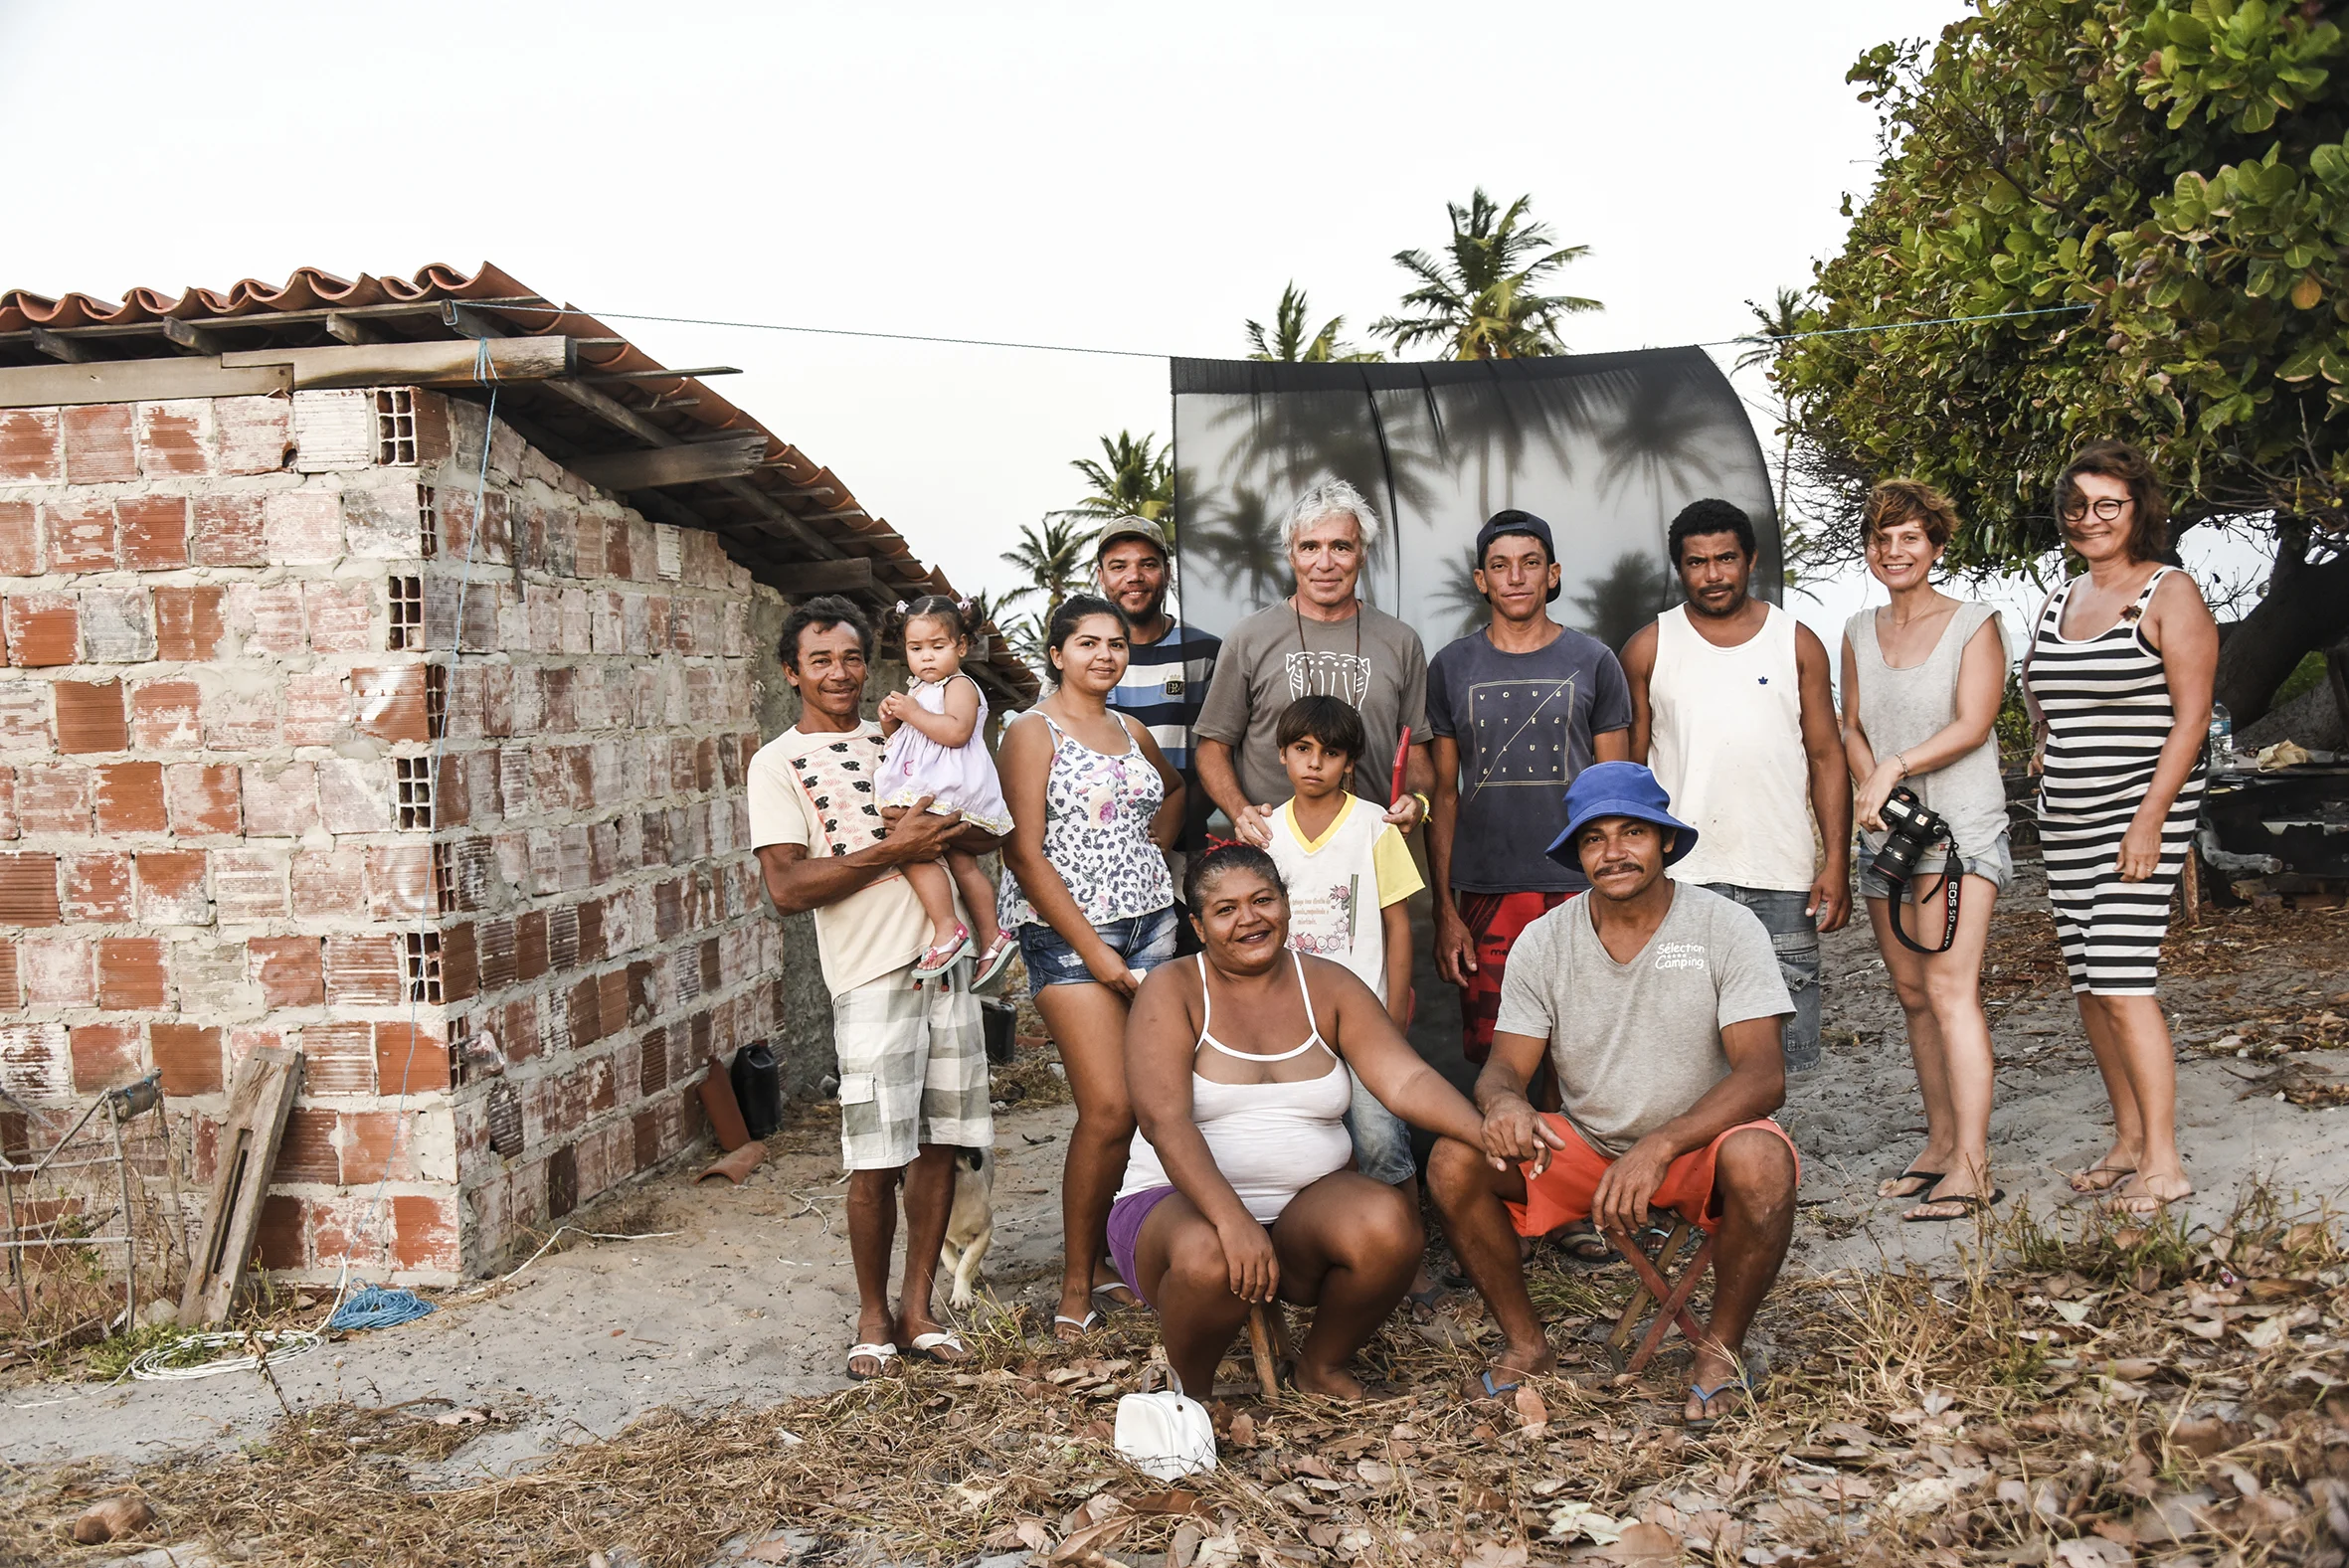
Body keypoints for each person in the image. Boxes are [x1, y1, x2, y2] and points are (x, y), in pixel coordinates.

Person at [1427, 762, 1800, 1427]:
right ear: (1577, 853)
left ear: (1664, 842)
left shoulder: (1726, 926)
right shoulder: (1544, 940)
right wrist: (1506, 1102)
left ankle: (1720, 1349)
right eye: (1594, 838)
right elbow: (1503, 1067)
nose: (1614, 851)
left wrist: (1661, 1144)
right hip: (1588, 1151)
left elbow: (1762, 1075)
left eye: (1633, 831)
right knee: (1452, 1161)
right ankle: (1526, 1343)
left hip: (1697, 1150)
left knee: (1765, 1159)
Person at [1114, 845, 1488, 1401]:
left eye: (1263, 900)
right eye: (1226, 909)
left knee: (1388, 1221)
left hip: (1303, 1217)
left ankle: (1321, 1365)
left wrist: (1486, 1132)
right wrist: (1233, 1222)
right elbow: (1165, 1122)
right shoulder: (1172, 989)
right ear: (1197, 924)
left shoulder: (1330, 985)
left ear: (1287, 905)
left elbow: (1405, 1080)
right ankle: (1190, 1397)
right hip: (1174, 1213)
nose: (1249, 919)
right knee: (1209, 1254)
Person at [747, 596, 995, 1380]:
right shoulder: (775, 761)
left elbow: (979, 822)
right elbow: (787, 886)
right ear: (792, 671)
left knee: (939, 1141)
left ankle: (918, 1307)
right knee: (874, 1155)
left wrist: (947, 829)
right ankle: (871, 1313)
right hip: (868, 970)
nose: (840, 673)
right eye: (820, 659)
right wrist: (895, 848)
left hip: (944, 963)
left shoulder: (902, 730)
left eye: (852, 657)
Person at [2025, 439, 2217, 1217]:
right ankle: (2129, 1139)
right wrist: (2045, 751)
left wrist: (2149, 819)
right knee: (2089, 986)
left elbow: (2193, 720)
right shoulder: (2057, 599)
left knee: (2121, 975)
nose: (2091, 518)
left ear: (2138, 510)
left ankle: (2164, 1161)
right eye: (2078, 506)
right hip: (2065, 819)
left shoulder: (2170, 593)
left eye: (2109, 504)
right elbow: (2044, 705)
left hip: (2141, 817)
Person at [995, 595, 1188, 1337]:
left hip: (1153, 927)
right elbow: (1023, 851)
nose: (1104, 654)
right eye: (1087, 642)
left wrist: (1148, 857)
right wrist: (1096, 951)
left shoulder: (1130, 729)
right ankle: (1076, 1281)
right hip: (1070, 938)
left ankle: (1114, 1258)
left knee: (1152, 1102)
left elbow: (1170, 795)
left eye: (1114, 643)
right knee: (1108, 1107)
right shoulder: (1030, 730)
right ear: (1057, 653)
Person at [1624, 499, 1851, 1074]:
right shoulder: (1651, 647)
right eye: (1697, 562)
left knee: (1782, 1055)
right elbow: (1630, 773)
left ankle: (1773, 1162)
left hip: (1781, 874)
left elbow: (1827, 757)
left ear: (1751, 560)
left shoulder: (1796, 642)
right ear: (1679, 569)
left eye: (1726, 558)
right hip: (1682, 878)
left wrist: (1836, 864)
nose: (1714, 574)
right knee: (1688, 1051)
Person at [1839, 482, 2014, 1221]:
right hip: (1890, 838)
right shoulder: (1854, 628)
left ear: (1936, 545)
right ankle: (1940, 1144)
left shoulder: (1974, 624)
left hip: (1958, 833)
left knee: (1950, 992)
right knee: (1913, 995)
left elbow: (1975, 721)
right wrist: (1870, 784)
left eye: (1909, 537)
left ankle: (1973, 1165)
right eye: (1881, 539)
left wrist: (1894, 768)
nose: (1894, 551)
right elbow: (1850, 724)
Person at [1258, 694, 1442, 1308]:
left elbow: (1398, 923)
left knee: (1380, 1135)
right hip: (1291, 1022)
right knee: (1306, 1138)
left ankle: (1407, 1253)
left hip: (1364, 1020)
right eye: (1302, 750)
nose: (1315, 764)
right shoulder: (1267, 834)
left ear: (1349, 762)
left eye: (1330, 753)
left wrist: (1390, 1013)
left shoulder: (1373, 825)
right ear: (1282, 754)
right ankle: (1325, 1249)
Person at [1195, 480, 1432, 845]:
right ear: (1292, 556)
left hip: (1369, 845)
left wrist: (1417, 800)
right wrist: (1239, 811)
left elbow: (1414, 749)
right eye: (1310, 547)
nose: (1325, 563)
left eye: (1340, 546)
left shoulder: (1401, 641)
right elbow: (1213, 748)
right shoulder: (1249, 637)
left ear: (1362, 554)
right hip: (1273, 848)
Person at [875, 595, 1017, 988]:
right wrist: (892, 723)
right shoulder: (919, 691)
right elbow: (908, 741)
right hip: (939, 792)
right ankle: (992, 937)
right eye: (915, 648)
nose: (926, 658)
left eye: (938, 647)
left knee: (904, 842)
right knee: (960, 861)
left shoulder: (960, 685)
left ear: (961, 647)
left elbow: (955, 733)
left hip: (954, 792)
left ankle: (947, 928)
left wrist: (912, 713)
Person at [1097, 516, 1222, 858]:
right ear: (1101, 576)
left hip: (1185, 850)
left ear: (1167, 572)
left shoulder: (1205, 653)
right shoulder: (1083, 657)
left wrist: (1169, 830)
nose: (1133, 577)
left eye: (1147, 564)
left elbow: (1221, 755)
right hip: (1096, 850)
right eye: (1118, 566)